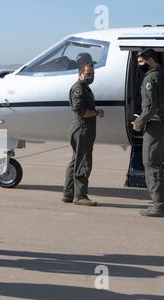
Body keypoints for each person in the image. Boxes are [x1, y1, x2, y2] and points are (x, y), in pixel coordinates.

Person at [62, 62, 104, 206]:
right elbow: (82, 111)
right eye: (88, 74)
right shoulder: (79, 89)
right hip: (82, 130)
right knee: (84, 162)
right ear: (80, 74)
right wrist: (97, 113)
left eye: (92, 74)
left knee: (75, 161)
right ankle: (80, 196)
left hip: (82, 129)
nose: (91, 76)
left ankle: (68, 193)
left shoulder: (85, 88)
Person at [132, 48, 164, 217]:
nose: (139, 66)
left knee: (152, 164)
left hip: (155, 126)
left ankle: (158, 204)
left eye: (141, 62)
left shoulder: (151, 78)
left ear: (151, 60)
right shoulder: (162, 74)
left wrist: (138, 122)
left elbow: (150, 107)